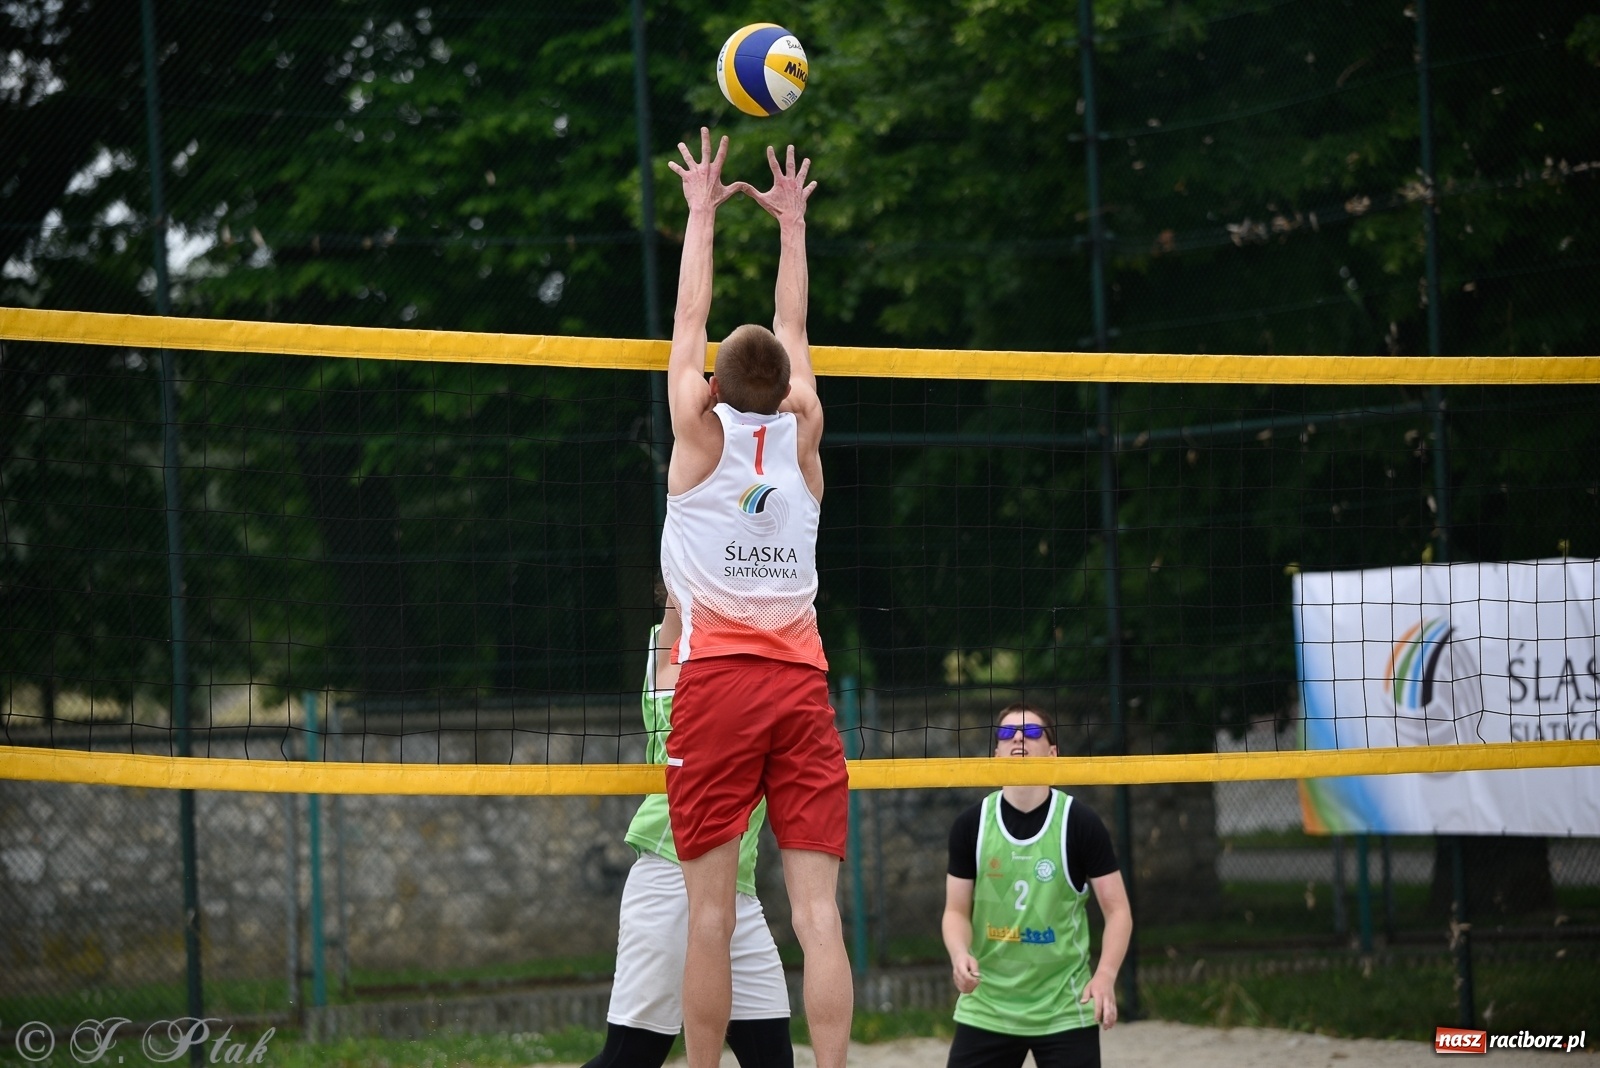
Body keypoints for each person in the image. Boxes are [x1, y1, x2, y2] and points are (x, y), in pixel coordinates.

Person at [658, 128, 851, 1068]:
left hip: (720, 686)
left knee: (710, 911)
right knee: (816, 914)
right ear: (782, 389)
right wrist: (792, 226)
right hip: (803, 689)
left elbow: (689, 315)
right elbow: (797, 331)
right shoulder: (806, 433)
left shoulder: (697, 440)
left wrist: (702, 210)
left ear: (713, 388)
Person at [582, 601, 793, 1068]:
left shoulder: (761, 647)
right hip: (671, 876)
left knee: (772, 1055)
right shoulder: (678, 650)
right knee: (633, 1056)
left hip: (735, 890)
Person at [942, 704, 1132, 1068]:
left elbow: (1118, 911)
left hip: (1064, 1006)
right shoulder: (971, 825)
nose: (1017, 739)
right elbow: (955, 911)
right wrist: (959, 953)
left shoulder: (1079, 823)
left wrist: (1105, 975)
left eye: (1031, 733)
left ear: (1053, 753)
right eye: (1006, 733)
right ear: (995, 753)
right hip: (988, 1006)